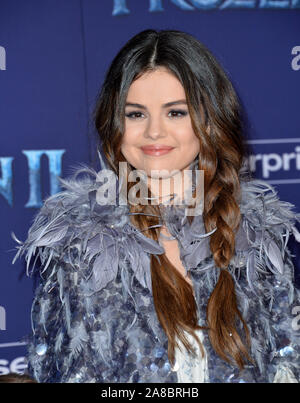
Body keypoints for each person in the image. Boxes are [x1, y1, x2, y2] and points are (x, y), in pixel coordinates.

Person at [11, 29, 300, 383]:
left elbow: (287, 364)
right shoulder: (78, 247)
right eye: (135, 115)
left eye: (175, 113)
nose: (154, 132)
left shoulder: (258, 235)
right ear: (113, 123)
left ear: (209, 120)